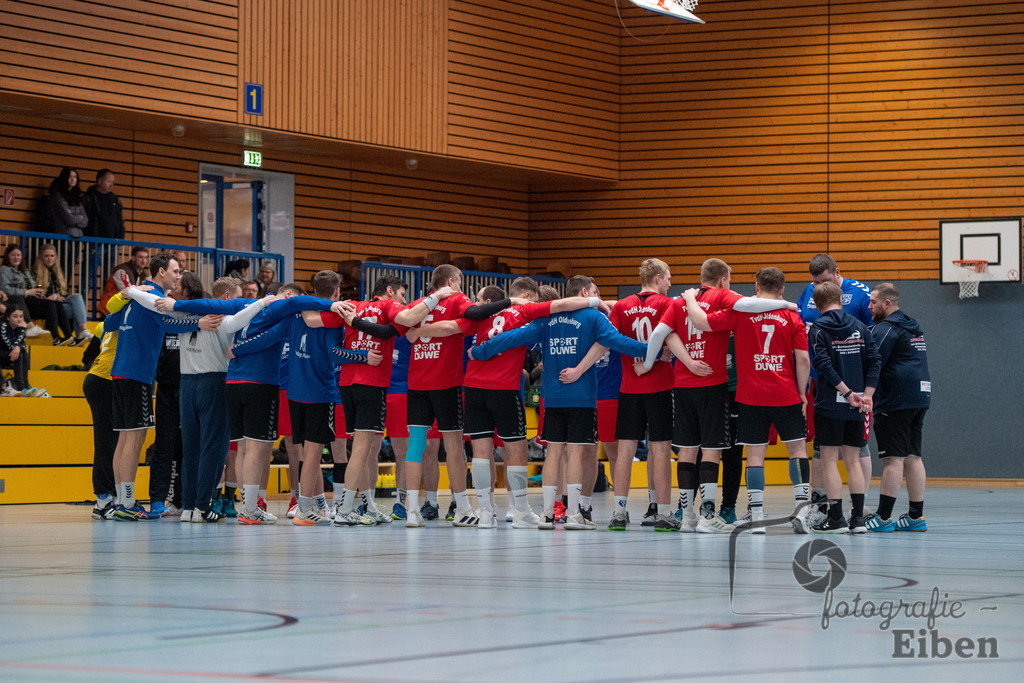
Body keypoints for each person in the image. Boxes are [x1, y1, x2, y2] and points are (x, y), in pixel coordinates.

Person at [413, 277, 602, 528]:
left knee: (481, 451)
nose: (535, 304)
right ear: (526, 296)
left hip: (474, 387)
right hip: (504, 388)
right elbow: (561, 305)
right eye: (533, 299)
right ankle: (521, 510)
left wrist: (416, 332)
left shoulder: (481, 314)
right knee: (517, 448)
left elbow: (449, 327)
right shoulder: (523, 310)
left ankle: (485, 512)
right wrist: (596, 301)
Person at [471, 274, 649, 530]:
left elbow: (510, 338)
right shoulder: (594, 318)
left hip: (552, 396)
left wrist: (481, 351)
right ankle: (575, 514)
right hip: (582, 397)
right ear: (586, 293)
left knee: (554, 453)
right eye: (595, 291)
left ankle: (546, 513)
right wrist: (651, 350)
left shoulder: (547, 319)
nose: (598, 295)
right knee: (576, 452)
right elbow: (619, 342)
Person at [642, 258, 791, 532]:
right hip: (712, 383)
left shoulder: (679, 302)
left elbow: (658, 335)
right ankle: (708, 515)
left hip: (683, 386)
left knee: (687, 451)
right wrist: (786, 304)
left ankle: (686, 516)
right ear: (723, 280)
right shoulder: (722, 297)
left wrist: (649, 364)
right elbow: (750, 305)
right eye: (730, 280)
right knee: (712, 450)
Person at [683, 267, 812, 534]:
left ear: (756, 287)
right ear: (783, 289)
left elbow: (702, 322)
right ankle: (802, 513)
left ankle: (757, 517)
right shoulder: (792, 316)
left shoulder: (740, 313)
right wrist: (802, 393)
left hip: (751, 395)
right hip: (785, 392)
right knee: (797, 451)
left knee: (754, 456)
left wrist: (690, 299)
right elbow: (803, 359)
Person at [109, 252, 204, 521]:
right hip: (137, 373)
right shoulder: (151, 296)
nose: (179, 275)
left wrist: (125, 295)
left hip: (121, 372)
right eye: (176, 270)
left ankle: (121, 500)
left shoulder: (137, 296)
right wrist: (199, 322)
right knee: (135, 438)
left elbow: (108, 322)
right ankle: (127, 503)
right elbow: (170, 320)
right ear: (161, 272)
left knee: (126, 438)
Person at [796, 253, 875, 516]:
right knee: (822, 447)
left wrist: (867, 390)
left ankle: (857, 507)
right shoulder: (808, 293)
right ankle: (821, 504)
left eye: (823, 281)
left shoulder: (861, 294)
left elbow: (873, 342)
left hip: (855, 386)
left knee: (856, 448)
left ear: (836, 272)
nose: (818, 287)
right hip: (823, 385)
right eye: (815, 282)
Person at [605, 259, 679, 530]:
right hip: (660, 387)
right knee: (660, 450)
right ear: (658, 278)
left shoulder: (623, 305)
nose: (670, 283)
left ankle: (619, 512)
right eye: (668, 278)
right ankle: (663, 513)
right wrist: (657, 355)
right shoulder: (667, 304)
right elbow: (672, 340)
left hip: (629, 387)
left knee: (625, 451)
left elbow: (609, 338)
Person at [806, 281, 880, 534]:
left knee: (828, 460)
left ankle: (836, 518)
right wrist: (866, 395)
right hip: (858, 403)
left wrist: (846, 393)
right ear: (841, 298)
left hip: (830, 404)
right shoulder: (859, 326)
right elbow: (874, 360)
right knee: (853, 461)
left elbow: (823, 364)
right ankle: (858, 519)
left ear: (816, 305)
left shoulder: (817, 329)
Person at [865, 282, 931, 533]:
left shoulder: (886, 329)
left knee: (893, 460)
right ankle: (916, 517)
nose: (870, 306)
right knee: (913, 457)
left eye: (873, 302)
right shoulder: (912, 327)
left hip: (895, 399)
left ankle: (882, 518)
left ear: (887, 303)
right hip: (920, 396)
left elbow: (873, 363)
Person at [0, 244, 74, 344]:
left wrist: (40, 293)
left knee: (57, 304)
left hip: (31, 300)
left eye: (18, 255)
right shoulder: (4, 270)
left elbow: (34, 286)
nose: (16, 257)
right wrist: (27, 292)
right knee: (49, 304)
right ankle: (56, 337)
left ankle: (69, 337)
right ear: (7, 256)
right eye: (13, 255)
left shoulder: (25, 271)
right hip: (18, 301)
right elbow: (6, 289)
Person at [32, 243, 93, 344]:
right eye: (46, 256)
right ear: (41, 257)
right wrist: (52, 297)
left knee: (77, 297)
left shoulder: (57, 272)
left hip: (59, 304)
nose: (49, 259)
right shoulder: (35, 273)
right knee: (76, 310)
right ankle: (80, 335)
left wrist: (58, 296)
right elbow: (36, 298)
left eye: (52, 256)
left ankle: (83, 331)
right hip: (48, 307)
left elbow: (62, 293)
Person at [100, 245, 149, 313]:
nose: (143, 261)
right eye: (140, 257)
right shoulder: (121, 271)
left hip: (122, 308)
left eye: (146, 257)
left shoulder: (142, 274)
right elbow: (128, 291)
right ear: (133, 258)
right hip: (110, 307)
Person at [0, 307, 35, 397]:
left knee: (23, 353)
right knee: (18, 352)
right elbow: (10, 345)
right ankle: (20, 387)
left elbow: (23, 345)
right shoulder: (3, 327)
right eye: (15, 316)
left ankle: (25, 385)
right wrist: (22, 330)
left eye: (21, 316)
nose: (19, 319)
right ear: (8, 317)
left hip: (7, 355)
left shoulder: (18, 328)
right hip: (2, 355)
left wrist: (19, 347)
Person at [45, 167, 88, 238]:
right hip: (63, 236)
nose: (72, 179)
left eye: (74, 177)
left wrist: (75, 217)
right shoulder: (58, 196)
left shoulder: (77, 197)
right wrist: (80, 217)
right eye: (69, 177)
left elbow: (86, 221)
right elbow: (69, 219)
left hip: (77, 236)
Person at [83, 169, 125, 239]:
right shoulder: (89, 198)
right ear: (99, 181)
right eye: (108, 182)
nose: (111, 185)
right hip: (94, 241)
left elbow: (120, 220)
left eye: (113, 182)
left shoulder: (115, 200)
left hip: (113, 242)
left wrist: (121, 237)